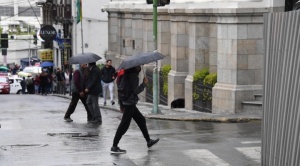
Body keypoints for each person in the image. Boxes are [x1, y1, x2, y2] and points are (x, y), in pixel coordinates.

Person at [110, 66, 159, 154]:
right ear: (135, 67)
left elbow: (121, 90)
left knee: (141, 120)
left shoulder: (125, 74)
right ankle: (114, 145)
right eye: (138, 66)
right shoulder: (133, 76)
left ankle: (148, 141)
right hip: (130, 103)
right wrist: (144, 84)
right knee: (124, 125)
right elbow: (135, 91)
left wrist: (121, 103)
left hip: (127, 102)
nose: (140, 67)